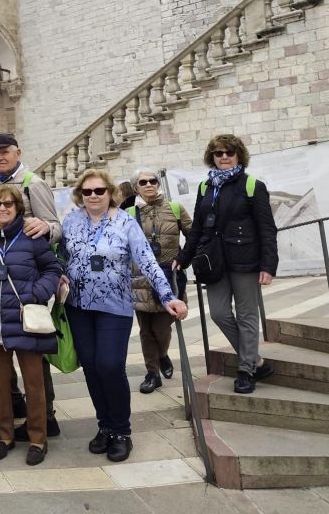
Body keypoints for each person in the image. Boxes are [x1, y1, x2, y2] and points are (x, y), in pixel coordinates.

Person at [61, 170, 187, 463]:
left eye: (99, 190)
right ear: (80, 194)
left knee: (109, 365)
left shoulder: (125, 221)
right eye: (88, 191)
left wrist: (168, 296)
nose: (93, 195)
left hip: (113, 307)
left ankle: (121, 431)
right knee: (91, 367)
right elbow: (61, 255)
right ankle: (104, 425)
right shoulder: (71, 220)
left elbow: (146, 260)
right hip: (78, 306)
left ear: (110, 192)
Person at [0, 185, 62, 466]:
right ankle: (4, 436)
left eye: (8, 204)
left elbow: (53, 269)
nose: (2, 209)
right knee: (0, 383)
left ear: (18, 208)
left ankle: (37, 439)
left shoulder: (31, 236)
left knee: (33, 383)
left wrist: (36, 293)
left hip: (25, 319)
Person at [177, 135, 278, 394]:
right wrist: (184, 258)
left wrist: (268, 265)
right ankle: (256, 359)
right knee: (219, 313)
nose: (224, 157)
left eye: (229, 152)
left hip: (246, 261)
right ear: (212, 157)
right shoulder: (205, 188)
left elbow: (267, 229)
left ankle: (246, 370)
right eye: (218, 153)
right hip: (215, 262)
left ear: (238, 155)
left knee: (247, 315)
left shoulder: (253, 185)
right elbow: (198, 228)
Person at [0, 133, 62, 433]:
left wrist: (46, 227)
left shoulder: (33, 183)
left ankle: (46, 414)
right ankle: (14, 401)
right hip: (0, 287)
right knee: (1, 348)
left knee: (33, 352)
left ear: (18, 152)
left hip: (27, 285)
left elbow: (55, 227)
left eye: (5, 152)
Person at [128, 169, 192, 394]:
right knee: (146, 329)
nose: (148, 185)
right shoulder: (128, 213)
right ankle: (152, 373)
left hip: (168, 276)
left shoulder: (175, 208)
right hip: (139, 279)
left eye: (152, 181)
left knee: (162, 328)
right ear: (136, 187)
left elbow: (193, 236)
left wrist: (183, 259)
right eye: (142, 182)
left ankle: (163, 354)